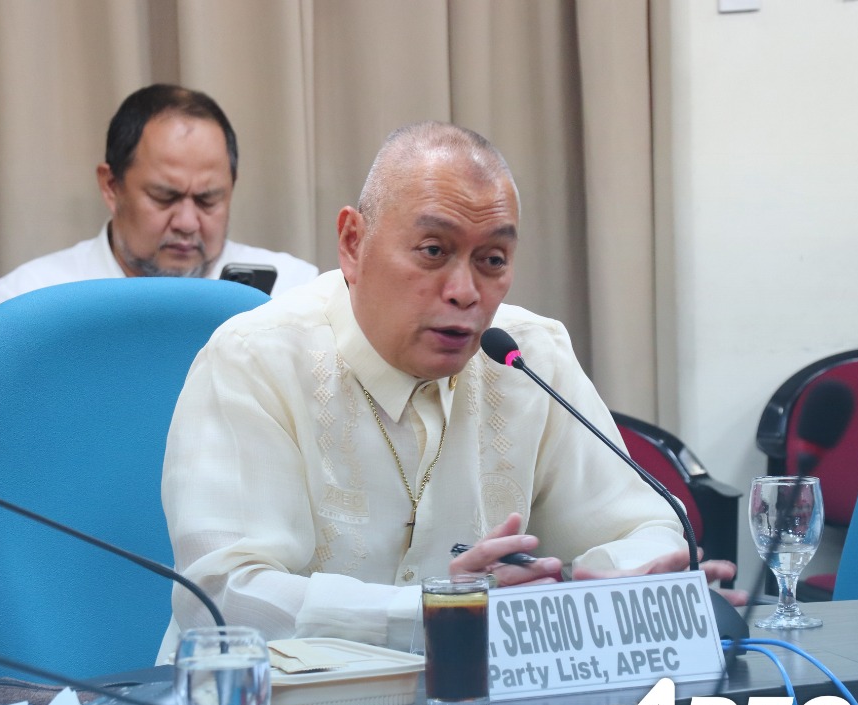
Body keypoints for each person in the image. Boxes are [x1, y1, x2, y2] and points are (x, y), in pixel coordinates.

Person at [159, 121, 740, 658]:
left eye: (492, 259)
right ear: (353, 243)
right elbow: (223, 597)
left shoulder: (528, 356)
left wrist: (619, 585)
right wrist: (434, 614)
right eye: (434, 251)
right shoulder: (253, 359)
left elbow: (640, 525)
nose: (465, 291)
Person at [0, 84, 317, 311]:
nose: (187, 223)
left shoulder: (296, 294)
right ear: (111, 186)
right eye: (164, 197)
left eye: (208, 200)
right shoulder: (28, 302)